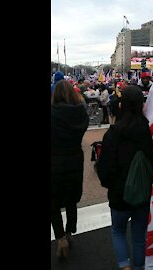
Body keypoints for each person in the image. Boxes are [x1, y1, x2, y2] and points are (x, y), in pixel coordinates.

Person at [97, 86, 153, 270]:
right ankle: (139, 267)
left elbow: (104, 169)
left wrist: (111, 184)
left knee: (118, 231)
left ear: (122, 106)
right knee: (139, 237)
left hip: (119, 195)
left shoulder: (113, 133)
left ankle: (125, 266)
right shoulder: (151, 132)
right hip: (144, 194)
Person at [51, 80, 89, 259]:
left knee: (53, 202)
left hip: (54, 160)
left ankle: (60, 239)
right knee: (72, 199)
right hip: (75, 158)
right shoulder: (81, 113)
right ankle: (69, 232)